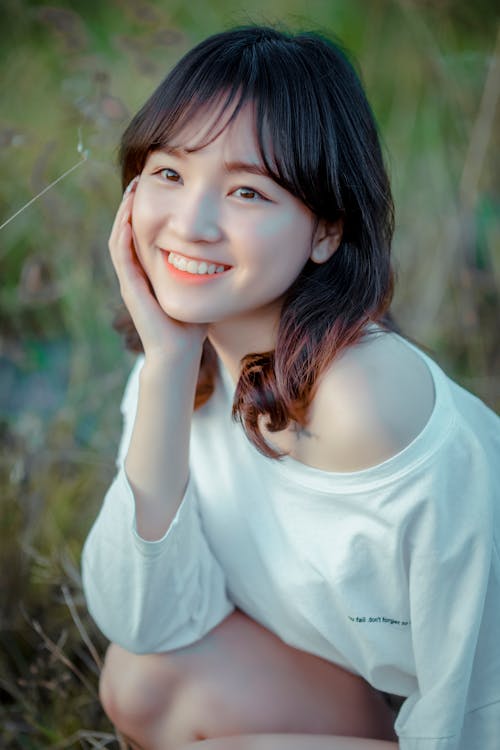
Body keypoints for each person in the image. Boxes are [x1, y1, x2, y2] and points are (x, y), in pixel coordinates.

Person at [81, 25, 500, 750]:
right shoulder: (182, 356)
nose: (192, 223)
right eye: (170, 173)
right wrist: (170, 371)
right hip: (377, 696)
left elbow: (477, 692)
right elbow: (148, 623)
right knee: (140, 682)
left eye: (247, 190)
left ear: (326, 232)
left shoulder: (366, 404)